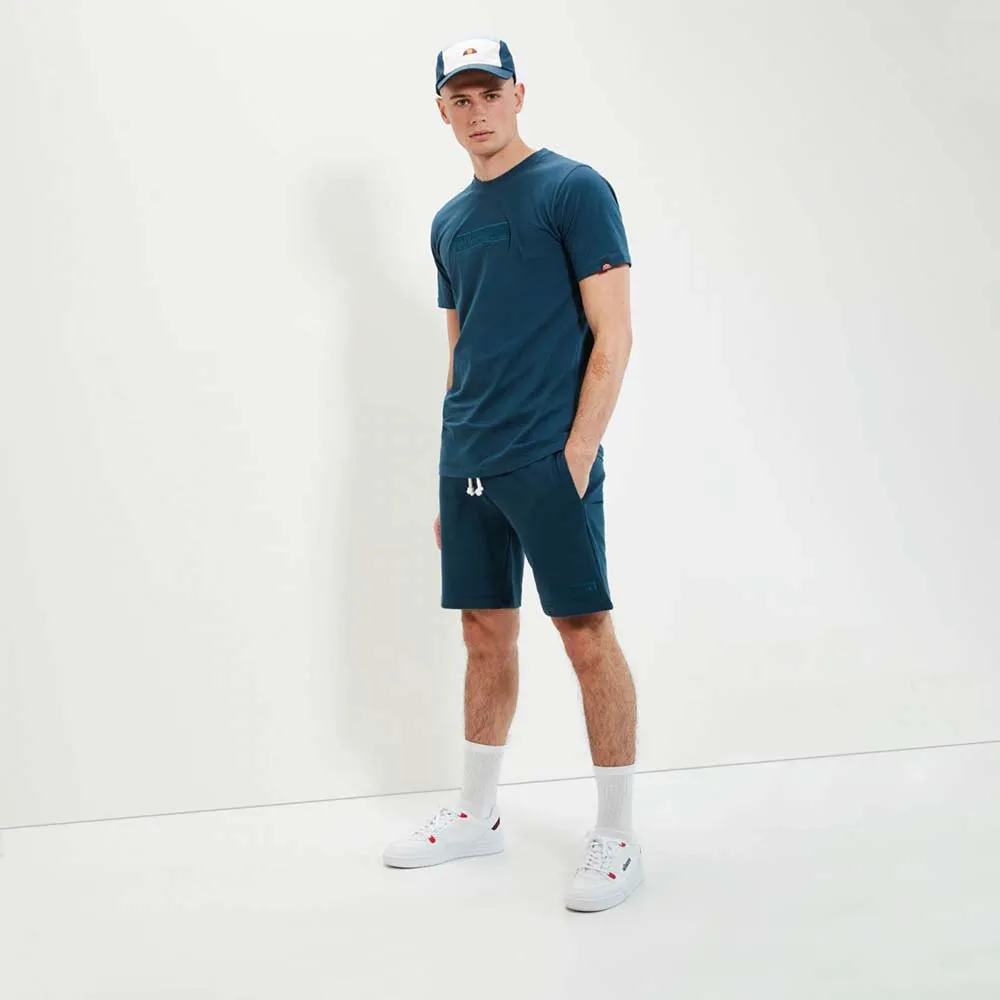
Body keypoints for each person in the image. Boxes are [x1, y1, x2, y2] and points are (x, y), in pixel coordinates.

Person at [381, 36, 642, 913]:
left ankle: (617, 833)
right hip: (471, 465)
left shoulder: (574, 189)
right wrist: (449, 470)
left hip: (549, 458)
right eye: (460, 98)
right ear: (442, 111)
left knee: (585, 635)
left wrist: (577, 456)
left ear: (518, 95)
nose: (477, 111)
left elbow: (614, 335)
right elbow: (461, 357)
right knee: (484, 635)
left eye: (490, 93)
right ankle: (478, 813)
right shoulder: (448, 222)